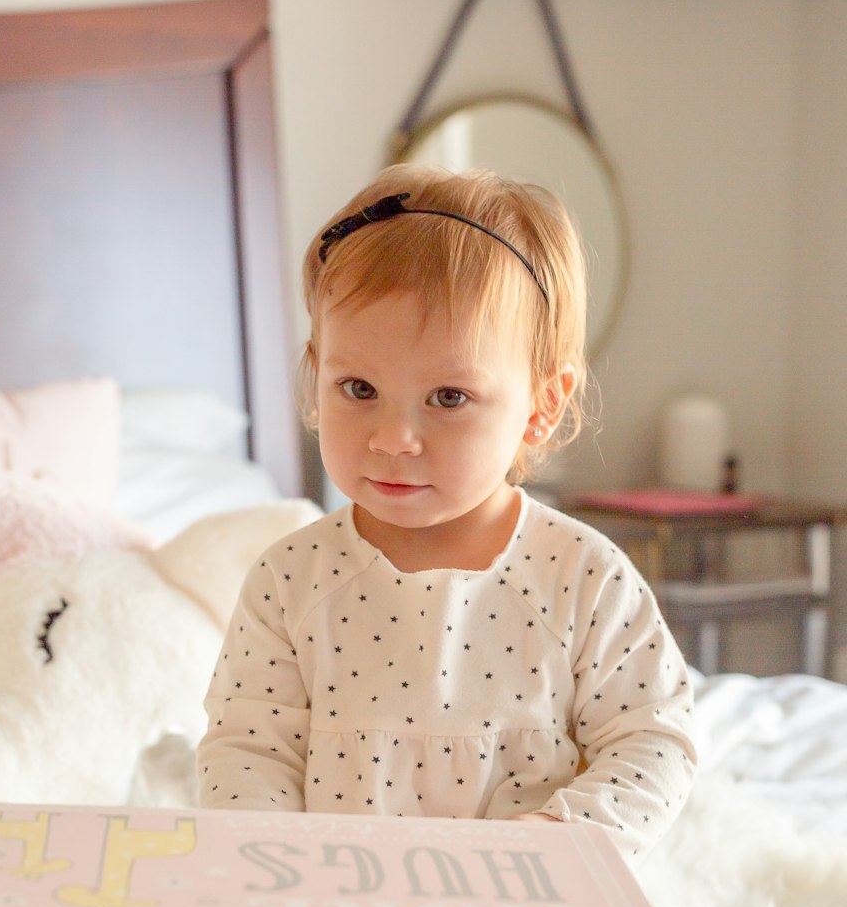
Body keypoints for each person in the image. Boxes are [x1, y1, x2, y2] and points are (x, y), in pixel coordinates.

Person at [197, 164, 696, 860]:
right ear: (317, 376)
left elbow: (654, 740)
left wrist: (560, 839)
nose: (392, 439)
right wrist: (279, 863)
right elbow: (246, 752)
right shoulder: (291, 580)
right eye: (359, 387)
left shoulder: (581, 577)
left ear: (542, 406)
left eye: (449, 397)